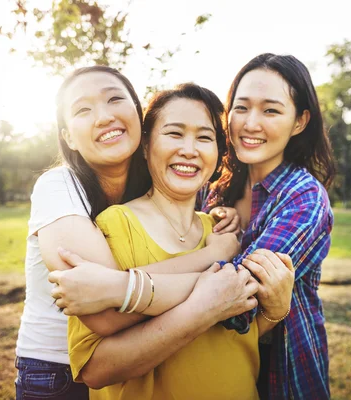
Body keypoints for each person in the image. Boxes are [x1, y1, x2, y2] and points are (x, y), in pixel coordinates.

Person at [14, 66, 245, 400]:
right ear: (67, 136)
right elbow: (107, 312)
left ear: (139, 115)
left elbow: (115, 290)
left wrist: (219, 213)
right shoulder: (59, 187)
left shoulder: (152, 188)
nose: (104, 116)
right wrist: (216, 265)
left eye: (114, 99)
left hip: (140, 356)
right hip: (57, 372)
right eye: (83, 109)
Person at [54, 83, 295, 400]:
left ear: (219, 152)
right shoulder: (114, 225)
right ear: (145, 145)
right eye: (174, 133)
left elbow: (232, 334)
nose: (190, 149)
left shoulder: (225, 231)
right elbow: (95, 369)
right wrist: (203, 307)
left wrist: (274, 312)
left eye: (205, 137)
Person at [202, 53, 336, 399]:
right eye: (241, 107)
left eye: (271, 110)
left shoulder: (304, 198)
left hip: (280, 376)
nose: (250, 123)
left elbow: (235, 301)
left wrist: (127, 288)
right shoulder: (214, 189)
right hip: (209, 372)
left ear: (300, 121)